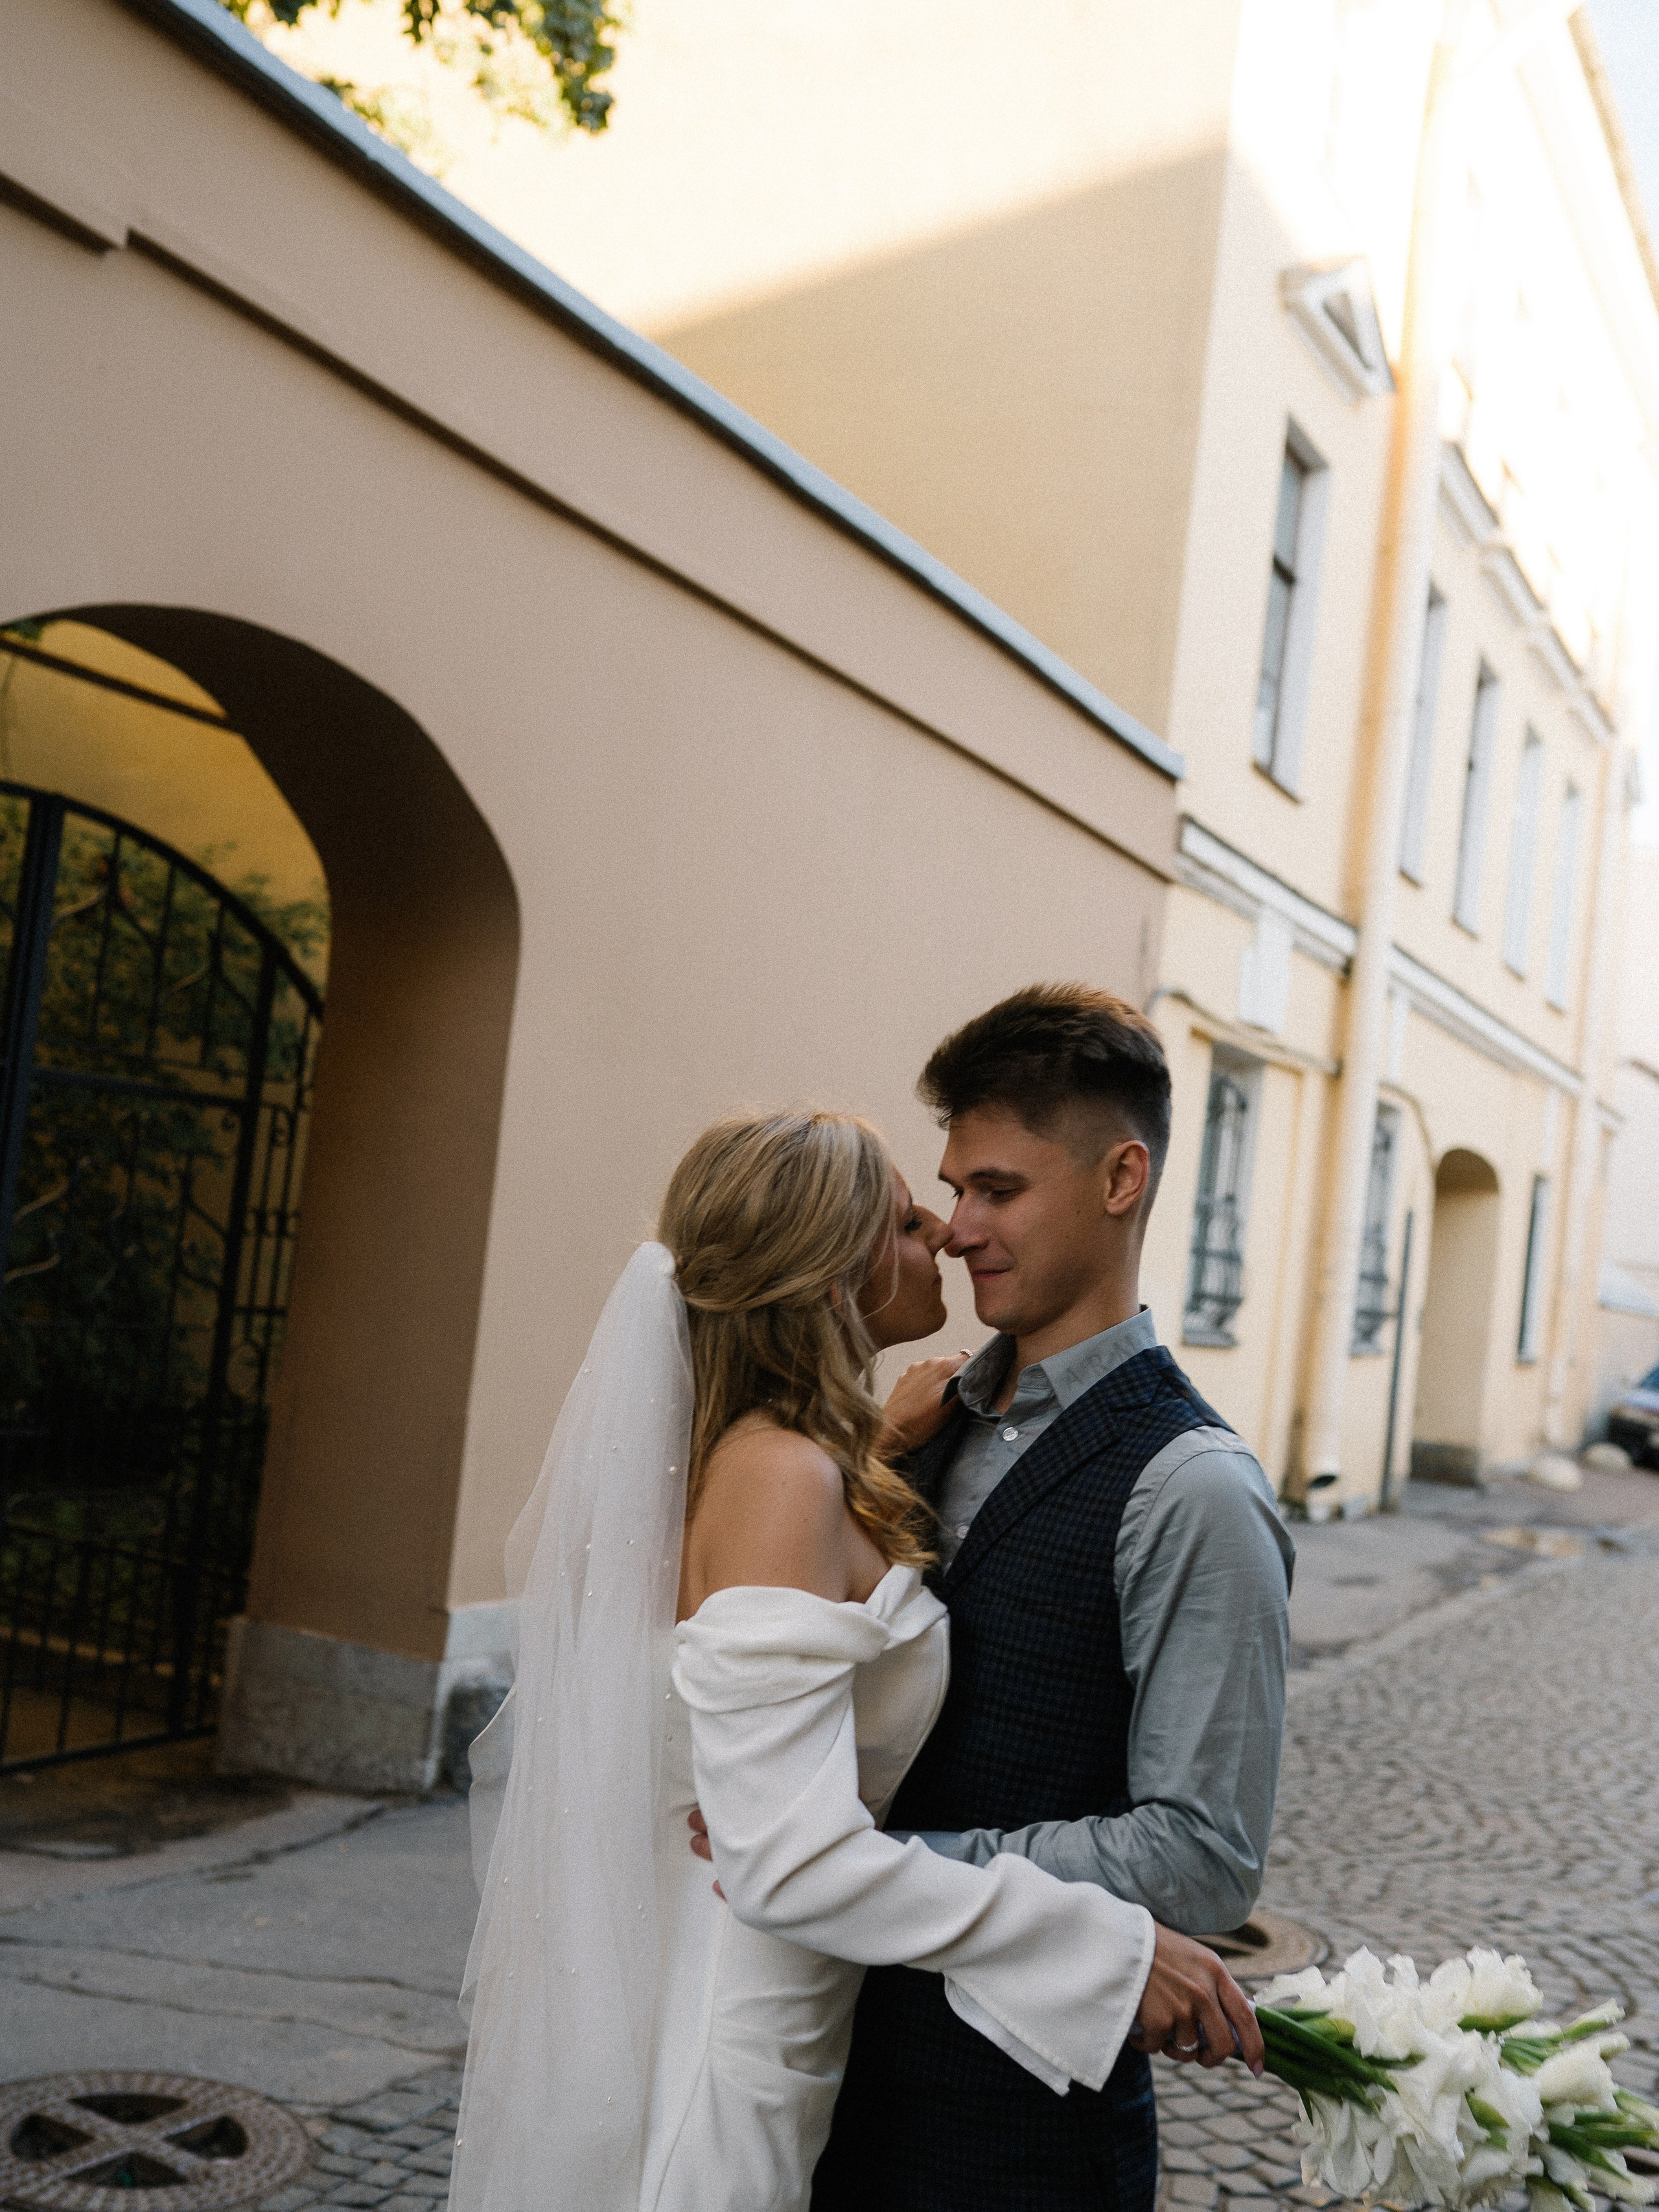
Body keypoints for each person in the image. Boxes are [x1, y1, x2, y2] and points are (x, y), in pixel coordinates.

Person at [449, 1106, 1260, 2212]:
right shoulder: (782, 1474)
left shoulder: (766, 1455)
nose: (945, 1229)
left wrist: (877, 1443)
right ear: (836, 1275)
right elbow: (787, 1865)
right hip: (750, 2028)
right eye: (905, 1217)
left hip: (810, 2020)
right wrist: (1107, 1948)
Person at [807, 984, 1295, 2211]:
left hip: (1015, 2134)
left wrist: (873, 1871)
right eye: (955, 1188)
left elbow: (1200, 1856)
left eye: (999, 1190)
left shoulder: (1194, 1488)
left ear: (1122, 1178)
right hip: (819, 2081)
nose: (960, 1226)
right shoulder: (923, 1421)